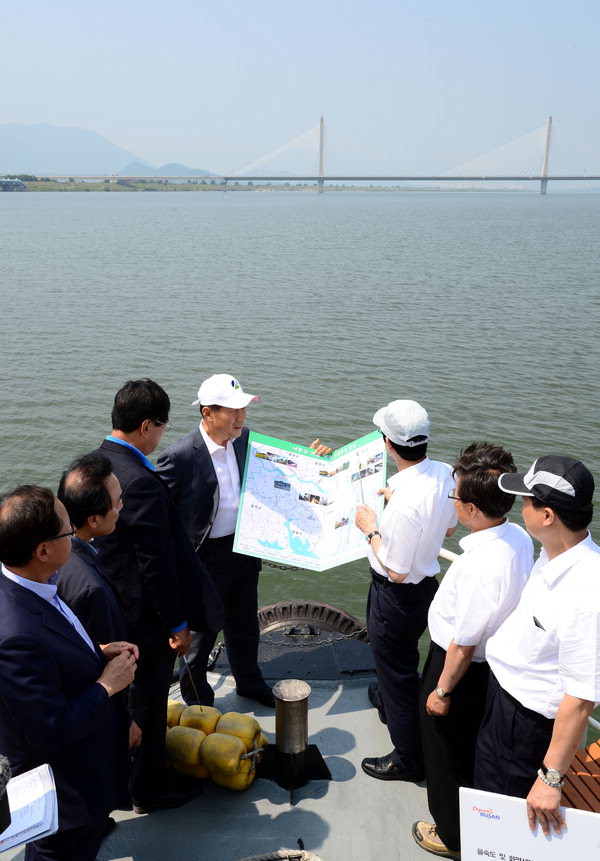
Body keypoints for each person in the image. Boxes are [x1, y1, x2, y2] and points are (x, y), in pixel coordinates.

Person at [157, 373, 330, 708]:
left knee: (244, 625)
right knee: (200, 638)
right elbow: (155, 512)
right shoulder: (180, 456)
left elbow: (281, 471)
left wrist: (311, 463)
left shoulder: (245, 439)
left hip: (243, 549)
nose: (242, 417)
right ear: (207, 413)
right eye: (233, 410)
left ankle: (250, 684)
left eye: (243, 410)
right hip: (203, 560)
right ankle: (200, 707)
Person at [94, 379, 215, 814]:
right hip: (141, 618)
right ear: (147, 425)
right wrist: (178, 624)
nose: (163, 435)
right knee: (145, 700)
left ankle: (116, 780)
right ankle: (148, 788)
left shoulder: (92, 464)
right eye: (162, 426)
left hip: (103, 609)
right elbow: (156, 564)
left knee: (114, 702)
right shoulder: (139, 480)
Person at [0, 485, 136, 861]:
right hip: (65, 790)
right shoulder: (16, 636)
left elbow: (55, 647)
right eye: (66, 531)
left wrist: (99, 652)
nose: (74, 535)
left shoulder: (31, 584)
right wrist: (107, 685)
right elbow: (51, 731)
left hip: (87, 771)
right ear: (43, 551)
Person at [412, 443, 533, 859]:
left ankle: (454, 836)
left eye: (456, 497)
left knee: (446, 755)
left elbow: (463, 644)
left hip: (458, 670)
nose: (454, 504)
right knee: (468, 750)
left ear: (474, 510)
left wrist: (441, 692)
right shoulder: (516, 536)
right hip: (489, 670)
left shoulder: (483, 564)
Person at [474, 455, 600, 838]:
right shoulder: (551, 554)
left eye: (526, 500)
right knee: (487, 801)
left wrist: (550, 779)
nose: (520, 506)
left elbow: (580, 699)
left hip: (526, 727)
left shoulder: (587, 594)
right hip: (503, 700)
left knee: (509, 820)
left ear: (547, 516)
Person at [355, 399, 456, 782]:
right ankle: (387, 698)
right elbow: (447, 529)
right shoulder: (446, 474)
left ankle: (407, 759)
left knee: (395, 671)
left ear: (387, 444)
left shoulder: (400, 504)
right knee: (401, 662)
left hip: (394, 597)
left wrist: (371, 528)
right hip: (426, 587)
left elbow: (395, 570)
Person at [57, 452, 142, 749]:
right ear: (93, 519)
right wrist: (126, 720)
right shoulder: (92, 588)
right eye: (117, 503)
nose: (122, 507)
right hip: (98, 721)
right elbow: (106, 671)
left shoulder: (60, 560)